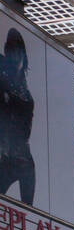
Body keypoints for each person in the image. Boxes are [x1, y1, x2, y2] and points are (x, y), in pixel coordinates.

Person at [0, 29, 36, 205]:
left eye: (17, 51)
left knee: (30, 216)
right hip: (5, 160)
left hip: (25, 162)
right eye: (10, 50)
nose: (14, 57)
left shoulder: (24, 87)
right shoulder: (3, 78)